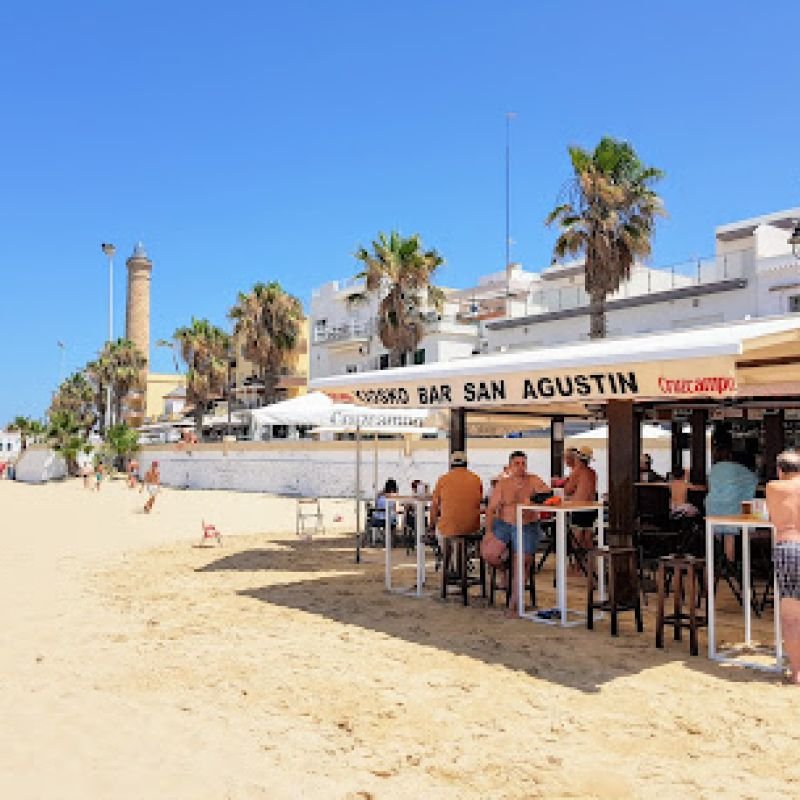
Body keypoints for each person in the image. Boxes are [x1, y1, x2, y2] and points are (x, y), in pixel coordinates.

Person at [485, 450, 550, 616]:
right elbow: (491, 509)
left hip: (527, 524)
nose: (521, 467)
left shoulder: (533, 479)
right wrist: (488, 532)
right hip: (505, 524)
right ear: (510, 466)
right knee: (489, 553)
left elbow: (548, 494)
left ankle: (514, 603)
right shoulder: (503, 484)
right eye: (517, 464)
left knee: (522, 562)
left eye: (523, 464)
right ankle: (503, 570)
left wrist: (534, 499)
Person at [766, 451, 800, 685]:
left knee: (791, 615)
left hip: (788, 546)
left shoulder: (773, 487)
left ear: (780, 470)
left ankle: (797, 671)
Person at [706, 443, 758, 561]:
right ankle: (730, 565)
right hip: (733, 506)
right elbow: (754, 480)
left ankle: (716, 564)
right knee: (730, 535)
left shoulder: (713, 469)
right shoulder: (740, 469)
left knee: (717, 533)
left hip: (713, 506)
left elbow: (710, 486)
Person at [429, 451, 482, 543]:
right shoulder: (476, 479)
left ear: (451, 464)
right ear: (466, 464)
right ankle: (469, 555)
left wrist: (431, 527)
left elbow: (434, 507)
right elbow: (478, 502)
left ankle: (446, 555)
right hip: (472, 528)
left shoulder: (443, 479)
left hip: (448, 529)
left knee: (441, 536)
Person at [563, 446, 598, 572]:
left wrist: (566, 482)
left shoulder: (577, 471)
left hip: (579, 507)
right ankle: (589, 566)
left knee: (576, 537)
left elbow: (568, 490)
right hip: (592, 508)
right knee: (588, 538)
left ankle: (577, 567)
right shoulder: (592, 472)